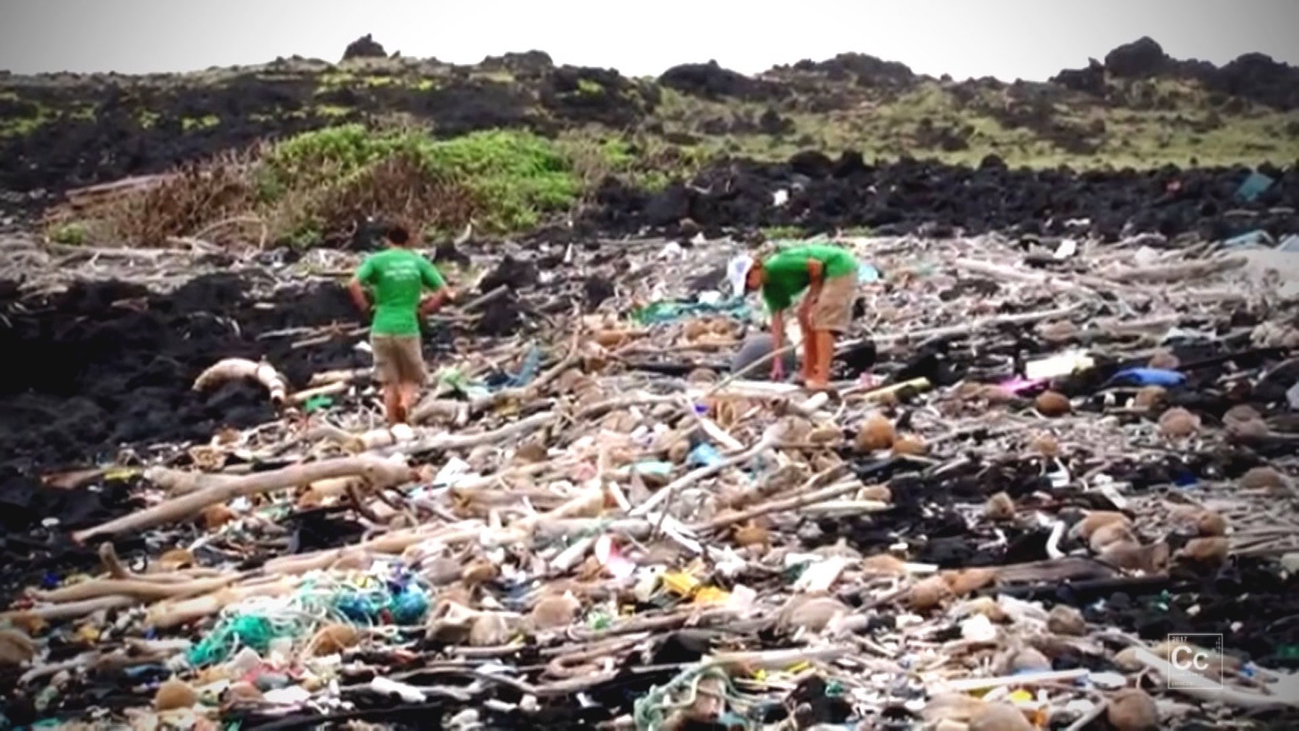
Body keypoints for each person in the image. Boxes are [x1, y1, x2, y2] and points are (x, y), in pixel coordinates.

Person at [347, 223, 454, 425]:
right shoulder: (418, 262)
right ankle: (404, 405)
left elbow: (353, 283)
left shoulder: (376, 260)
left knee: (389, 382)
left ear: (388, 240)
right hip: (407, 328)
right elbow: (444, 291)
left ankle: (392, 425)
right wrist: (427, 309)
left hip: (381, 327)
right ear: (408, 241)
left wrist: (365, 307)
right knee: (412, 378)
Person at [728, 243, 858, 391]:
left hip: (838, 266)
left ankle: (821, 377)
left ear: (755, 268)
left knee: (822, 318)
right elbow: (777, 324)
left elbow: (816, 267)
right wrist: (777, 363)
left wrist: (812, 297)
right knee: (804, 318)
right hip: (822, 274)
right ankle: (808, 372)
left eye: (748, 281)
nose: (750, 287)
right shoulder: (770, 290)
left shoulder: (777, 265)